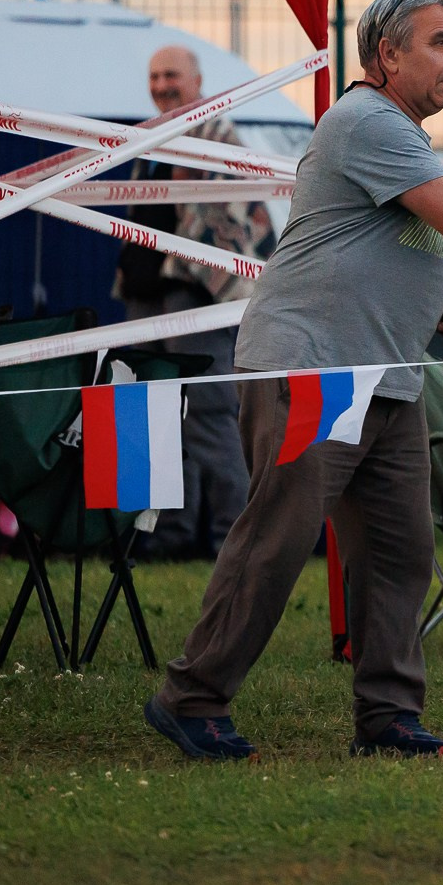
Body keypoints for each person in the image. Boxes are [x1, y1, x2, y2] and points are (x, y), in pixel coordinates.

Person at [146, 0, 443, 761]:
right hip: (313, 368)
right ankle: (191, 696)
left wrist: (441, 305)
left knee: (401, 550)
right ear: (387, 56)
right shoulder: (368, 119)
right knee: (276, 541)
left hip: (385, 377)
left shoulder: (401, 134)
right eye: (441, 42)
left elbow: (389, 242)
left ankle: (388, 713)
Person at [117, 44, 276, 561]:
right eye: (154, 76)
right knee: (156, 418)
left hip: (198, 294)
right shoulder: (148, 138)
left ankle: (236, 536)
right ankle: (169, 535)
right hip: (146, 294)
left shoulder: (217, 136)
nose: (162, 85)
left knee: (209, 414)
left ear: (197, 81)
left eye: (172, 75)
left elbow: (236, 219)